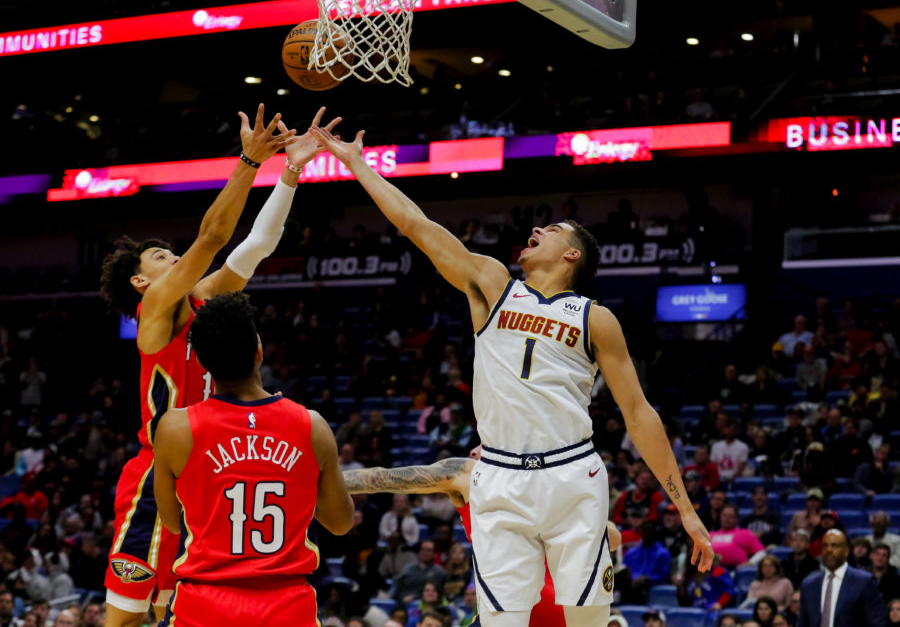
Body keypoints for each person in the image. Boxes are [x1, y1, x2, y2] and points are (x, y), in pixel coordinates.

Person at [311, 120, 714, 627]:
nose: (538, 230)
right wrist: (355, 163)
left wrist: (686, 509)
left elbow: (638, 414)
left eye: (553, 230)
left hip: (573, 473)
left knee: (588, 621)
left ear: (572, 254)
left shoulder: (595, 318)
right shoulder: (493, 285)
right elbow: (414, 224)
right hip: (498, 476)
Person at [98, 106, 338, 627]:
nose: (173, 259)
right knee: (127, 617)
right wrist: (249, 162)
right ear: (141, 282)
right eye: (160, 259)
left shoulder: (202, 300)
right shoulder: (155, 309)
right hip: (157, 472)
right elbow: (211, 238)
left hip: (214, 463)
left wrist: (291, 173)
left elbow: (255, 247)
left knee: (195, 609)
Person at [152, 292, 355, 625]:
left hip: (205, 603)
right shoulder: (312, 426)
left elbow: (173, 522)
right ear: (259, 352)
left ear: (204, 364)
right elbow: (341, 522)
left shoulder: (174, 429)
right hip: (286, 605)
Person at [342, 454, 623, 627]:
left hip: (563, 615)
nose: (473, 452)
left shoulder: (543, 474)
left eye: (479, 447)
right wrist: (323, 478)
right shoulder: (469, 475)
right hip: (501, 612)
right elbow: (384, 478)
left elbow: (613, 538)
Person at [796, 529, 886, 627]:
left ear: (846, 551)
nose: (829, 550)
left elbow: (876, 622)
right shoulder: (808, 584)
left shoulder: (864, 581)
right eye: (825, 546)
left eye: (835, 546)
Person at [710, 418, 749, 486]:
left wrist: (732, 479)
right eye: (727, 428)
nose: (729, 431)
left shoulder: (743, 447)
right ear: (724, 430)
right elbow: (713, 466)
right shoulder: (716, 446)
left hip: (736, 480)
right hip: (718, 480)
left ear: (736, 431)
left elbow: (741, 468)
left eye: (732, 428)